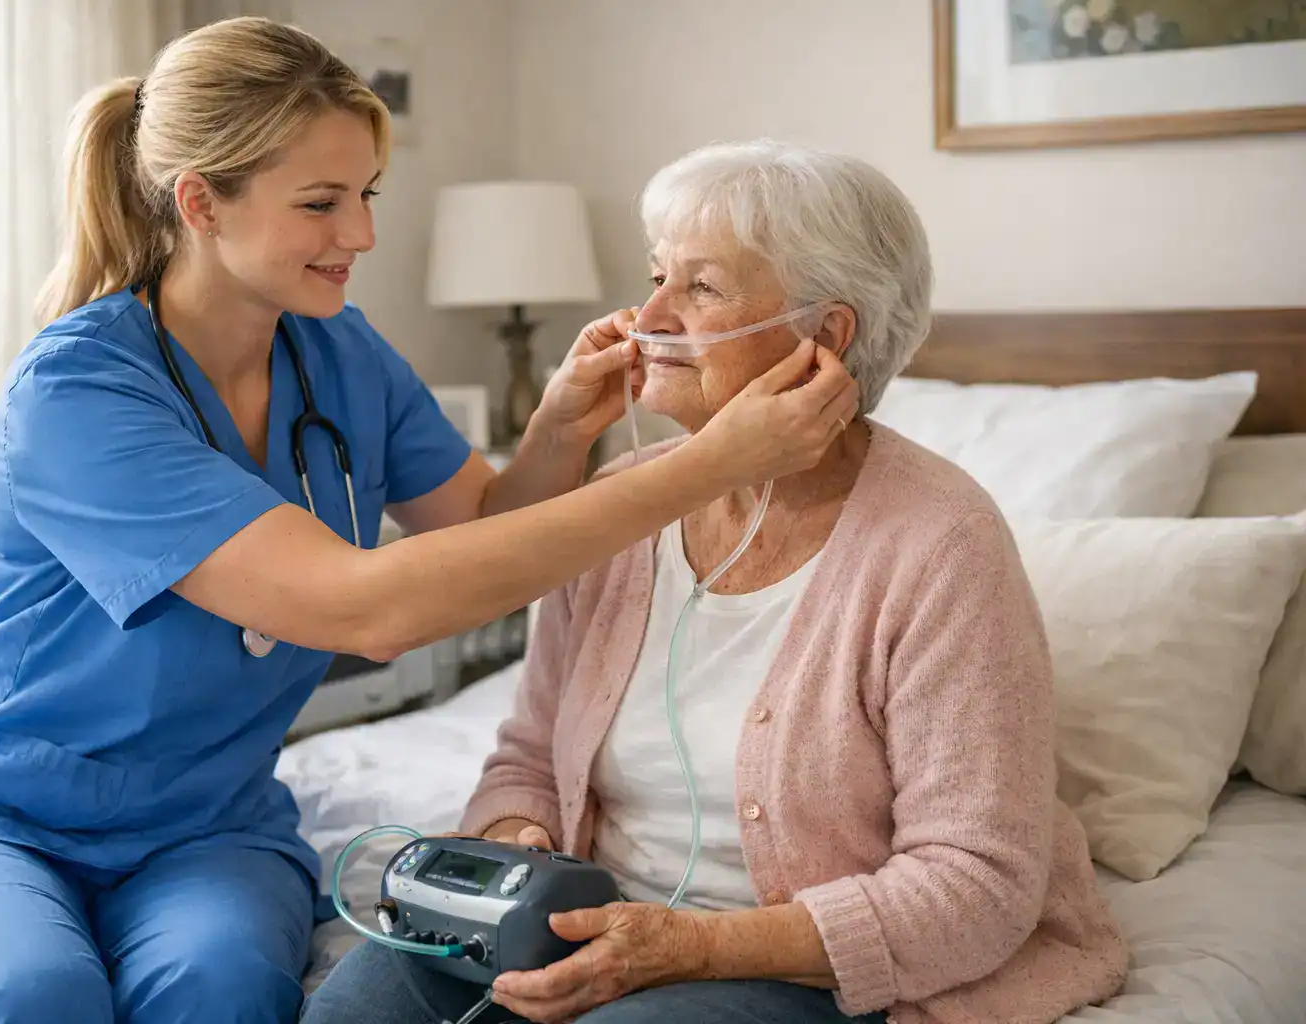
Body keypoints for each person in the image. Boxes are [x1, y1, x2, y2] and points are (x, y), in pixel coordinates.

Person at [0, 24, 859, 1024]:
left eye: (364, 195)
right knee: (28, 999)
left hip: (201, 827)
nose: (359, 234)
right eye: (321, 203)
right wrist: (705, 466)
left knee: (220, 996)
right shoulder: (81, 392)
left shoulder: (336, 350)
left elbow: (485, 525)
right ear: (200, 203)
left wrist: (552, 430)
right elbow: (371, 612)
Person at [302, 141, 1130, 1024]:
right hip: (583, 931)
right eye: (656, 275)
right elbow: (530, 755)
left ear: (828, 335)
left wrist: (687, 947)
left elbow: (977, 885)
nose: (648, 314)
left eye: (701, 288)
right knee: (356, 1007)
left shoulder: (941, 544)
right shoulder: (622, 510)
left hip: (800, 969)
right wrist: (519, 844)